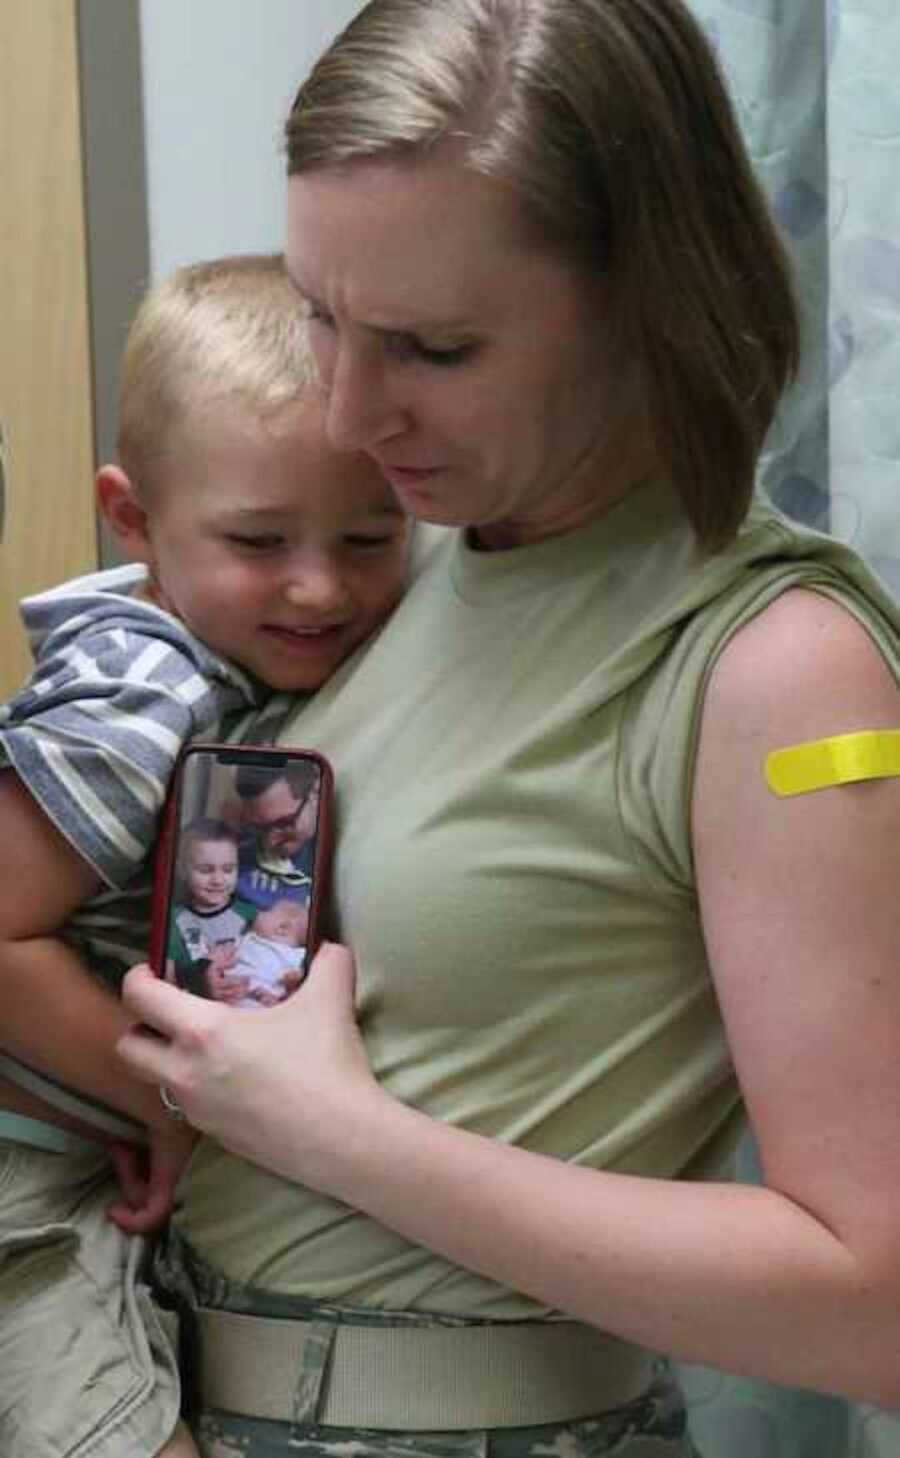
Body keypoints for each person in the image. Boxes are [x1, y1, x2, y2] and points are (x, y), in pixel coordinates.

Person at [117, 2, 900, 1455]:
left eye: (435, 346)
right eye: (321, 314)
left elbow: (880, 1306)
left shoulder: (782, 667)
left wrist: (339, 1135)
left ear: (643, 297)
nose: (349, 412)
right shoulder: (385, 576)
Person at [0, 253, 410, 1458]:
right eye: (259, 538)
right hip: (28, 1184)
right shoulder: (149, 686)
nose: (319, 584)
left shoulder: (215, 658)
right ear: (131, 517)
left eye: (370, 536)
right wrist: (171, 1104)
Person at [167, 819, 257, 1001]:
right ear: (182, 870)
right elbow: (168, 978)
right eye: (206, 870)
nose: (218, 880)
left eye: (228, 870)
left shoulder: (252, 916)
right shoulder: (174, 920)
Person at [232, 758, 320, 913]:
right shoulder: (233, 860)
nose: (270, 843)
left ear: (314, 793)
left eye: (283, 823)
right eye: (258, 828)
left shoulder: (333, 862)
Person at [228, 898, 309, 1009]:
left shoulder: (295, 953)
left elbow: (303, 973)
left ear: (282, 928)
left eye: (266, 911)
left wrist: (295, 978)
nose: (259, 912)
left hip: (265, 996)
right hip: (233, 989)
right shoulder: (249, 937)